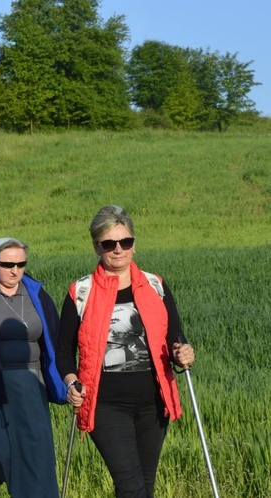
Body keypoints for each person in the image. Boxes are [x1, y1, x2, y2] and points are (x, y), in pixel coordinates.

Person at [56, 204, 195, 498]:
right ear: (97, 247)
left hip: (154, 404)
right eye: (109, 243)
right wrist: (71, 382)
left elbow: (175, 336)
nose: (118, 250)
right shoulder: (81, 292)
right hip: (105, 405)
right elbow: (63, 351)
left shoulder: (155, 285)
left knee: (144, 486)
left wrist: (183, 353)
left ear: (133, 243)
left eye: (125, 242)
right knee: (131, 487)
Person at [0, 238, 66, 498]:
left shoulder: (36, 293)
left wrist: (66, 381)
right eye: (7, 264)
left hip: (31, 383)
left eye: (20, 264)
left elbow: (55, 339)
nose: (14, 270)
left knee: (34, 451)